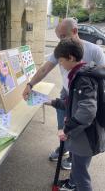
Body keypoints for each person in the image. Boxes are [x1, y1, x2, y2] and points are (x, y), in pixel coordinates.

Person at [22, 17, 105, 170]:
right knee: (63, 126)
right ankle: (65, 147)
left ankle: (75, 157)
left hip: (86, 98)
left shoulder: (94, 50)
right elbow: (44, 69)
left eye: (62, 37)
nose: (60, 41)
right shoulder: (62, 49)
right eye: (58, 37)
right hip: (67, 93)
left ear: (74, 31)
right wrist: (30, 84)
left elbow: (102, 77)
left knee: (79, 128)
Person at [46, 39, 105, 191]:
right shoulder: (82, 71)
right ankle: (73, 185)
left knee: (81, 176)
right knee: (79, 168)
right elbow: (74, 103)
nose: (60, 65)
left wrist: (66, 130)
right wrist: (53, 102)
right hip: (87, 136)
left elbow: (87, 112)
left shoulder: (83, 78)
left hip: (85, 138)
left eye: (61, 61)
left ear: (71, 58)